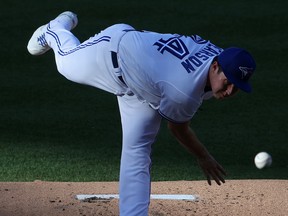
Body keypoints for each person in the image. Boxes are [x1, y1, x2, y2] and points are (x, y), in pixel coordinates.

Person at [27, 11, 256, 216]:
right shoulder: (183, 91)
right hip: (110, 52)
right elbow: (178, 128)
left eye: (237, 87)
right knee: (66, 63)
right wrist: (203, 156)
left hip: (143, 84)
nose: (229, 91)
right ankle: (54, 30)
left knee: (138, 148)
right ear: (215, 66)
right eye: (227, 83)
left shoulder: (219, 57)